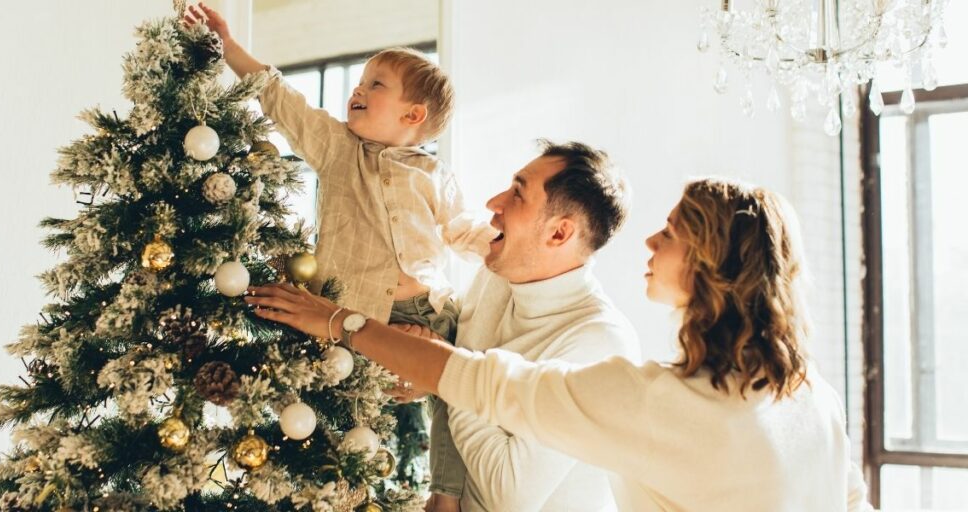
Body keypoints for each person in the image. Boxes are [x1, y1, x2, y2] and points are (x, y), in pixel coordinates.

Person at [247, 177, 874, 511]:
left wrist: (338, 323)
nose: (651, 243)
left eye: (671, 233)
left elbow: (477, 381)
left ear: (710, 264)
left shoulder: (653, 398)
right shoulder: (811, 394)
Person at [184, 3, 495, 505]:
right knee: (345, 414)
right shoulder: (336, 147)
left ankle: (446, 494)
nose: (359, 89)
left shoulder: (434, 174)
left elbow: (462, 229)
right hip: (350, 311)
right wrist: (228, 45)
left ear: (413, 115)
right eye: (361, 80)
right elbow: (278, 97)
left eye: (376, 84)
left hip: (426, 311)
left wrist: (500, 246)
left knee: (455, 398)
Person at [406, 141, 638, 511]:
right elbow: (456, 370)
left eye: (517, 193)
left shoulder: (598, 343)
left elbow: (507, 493)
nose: (494, 204)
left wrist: (445, 374)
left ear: (559, 234)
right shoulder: (496, 277)